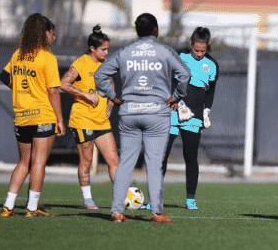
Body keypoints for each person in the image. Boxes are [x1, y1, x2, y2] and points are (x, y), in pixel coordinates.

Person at [95, 13, 190, 224]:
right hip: (157, 113)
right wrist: (177, 95)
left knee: (125, 163)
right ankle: (157, 213)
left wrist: (112, 96)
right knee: (154, 164)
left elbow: (100, 75)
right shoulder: (165, 51)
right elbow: (185, 74)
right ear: (155, 30)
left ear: (137, 31)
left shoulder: (125, 52)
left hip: (129, 112)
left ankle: (117, 211)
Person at [0, 13, 64, 217]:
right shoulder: (47, 58)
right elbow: (53, 91)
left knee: (23, 162)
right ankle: (32, 208)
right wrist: (60, 119)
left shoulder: (18, 54)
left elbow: (3, 76)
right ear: (44, 33)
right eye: (52, 34)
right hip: (43, 116)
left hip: (22, 116)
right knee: (38, 162)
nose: (54, 38)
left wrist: (19, 89)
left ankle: (8, 207)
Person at [60, 25, 119, 210]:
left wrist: (110, 104)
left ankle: (120, 198)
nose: (107, 52)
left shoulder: (106, 65)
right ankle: (87, 199)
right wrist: (85, 95)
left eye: (108, 49)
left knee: (114, 160)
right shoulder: (81, 63)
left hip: (101, 120)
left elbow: (112, 85)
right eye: (103, 49)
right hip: (82, 120)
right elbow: (63, 83)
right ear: (93, 49)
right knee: (86, 161)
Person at [161, 27, 219, 210]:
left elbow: (210, 92)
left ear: (207, 47)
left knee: (190, 156)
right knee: (161, 155)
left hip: (193, 116)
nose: (199, 54)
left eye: (203, 51)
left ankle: (191, 198)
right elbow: (167, 80)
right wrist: (173, 100)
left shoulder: (212, 65)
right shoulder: (178, 56)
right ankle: (156, 197)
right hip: (173, 110)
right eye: (196, 50)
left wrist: (207, 111)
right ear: (190, 45)